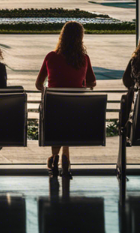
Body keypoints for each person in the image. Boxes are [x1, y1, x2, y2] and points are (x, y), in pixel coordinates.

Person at [35, 21, 97, 178]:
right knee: (69, 117)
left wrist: (51, 90)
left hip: (53, 106)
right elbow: (93, 82)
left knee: (57, 118)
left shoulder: (51, 56)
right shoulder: (84, 58)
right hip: (76, 107)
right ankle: (66, 158)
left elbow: (38, 84)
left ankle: (55, 158)